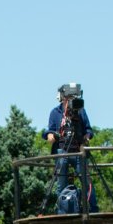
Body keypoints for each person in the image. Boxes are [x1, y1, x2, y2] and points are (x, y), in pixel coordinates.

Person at [42, 82, 97, 212]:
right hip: (62, 152)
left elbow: (88, 130)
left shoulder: (81, 111)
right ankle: (62, 211)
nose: (70, 101)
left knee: (86, 182)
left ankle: (93, 209)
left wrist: (87, 137)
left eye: (73, 97)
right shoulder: (55, 112)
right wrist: (49, 135)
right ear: (62, 97)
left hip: (78, 151)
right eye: (68, 97)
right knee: (61, 182)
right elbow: (49, 131)